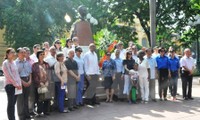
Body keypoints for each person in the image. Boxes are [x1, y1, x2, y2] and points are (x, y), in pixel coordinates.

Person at [2, 48, 22, 120]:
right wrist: (16, 84)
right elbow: (9, 75)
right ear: (7, 54)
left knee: (13, 104)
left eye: (14, 52)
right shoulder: (5, 63)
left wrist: (19, 84)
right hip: (10, 86)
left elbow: (17, 74)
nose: (14, 54)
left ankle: (12, 118)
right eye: (12, 52)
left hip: (16, 86)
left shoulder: (13, 62)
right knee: (11, 104)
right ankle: (11, 118)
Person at [15, 48, 32, 120]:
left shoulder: (27, 62)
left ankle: (27, 114)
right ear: (18, 54)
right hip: (20, 81)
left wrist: (30, 80)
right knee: (20, 99)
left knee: (26, 98)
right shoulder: (15, 63)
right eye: (22, 52)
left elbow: (30, 72)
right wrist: (23, 82)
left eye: (24, 52)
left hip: (28, 80)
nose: (24, 54)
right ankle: (21, 116)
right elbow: (16, 74)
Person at [32, 50, 50, 116]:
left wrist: (47, 81)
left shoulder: (47, 64)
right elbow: (34, 75)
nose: (42, 55)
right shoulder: (34, 65)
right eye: (41, 54)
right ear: (38, 56)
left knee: (47, 98)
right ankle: (39, 112)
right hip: (39, 84)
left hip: (46, 83)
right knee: (39, 99)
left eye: (43, 54)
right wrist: (40, 83)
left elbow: (49, 74)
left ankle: (46, 111)